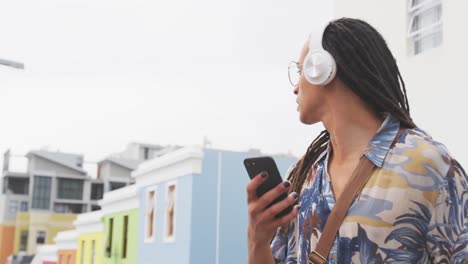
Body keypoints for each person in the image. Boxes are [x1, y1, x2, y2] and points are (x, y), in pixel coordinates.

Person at [246, 18, 467, 264]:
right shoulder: (301, 176)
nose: (295, 88)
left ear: (321, 69)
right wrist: (257, 240)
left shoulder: (428, 166)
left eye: (300, 72)